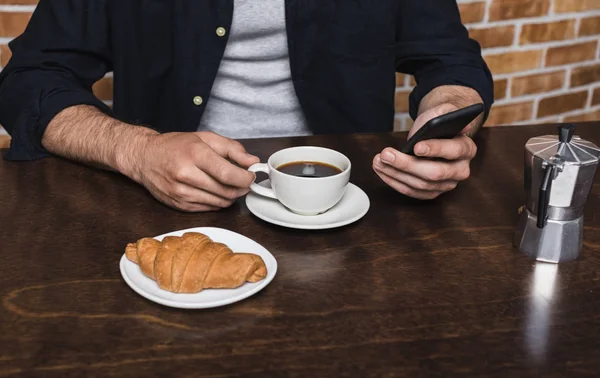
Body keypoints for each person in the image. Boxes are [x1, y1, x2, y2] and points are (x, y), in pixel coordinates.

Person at [0, 1, 493, 212]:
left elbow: (450, 59)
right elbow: (28, 80)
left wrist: (449, 115)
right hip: (166, 203)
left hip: (356, 202)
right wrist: (135, 149)